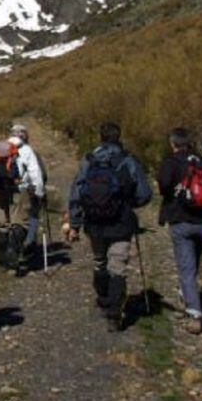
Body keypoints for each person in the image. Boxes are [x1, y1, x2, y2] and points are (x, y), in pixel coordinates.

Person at [64, 121, 152, 331]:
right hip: (121, 221)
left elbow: (76, 192)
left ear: (101, 137)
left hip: (94, 223)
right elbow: (144, 194)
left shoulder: (89, 160)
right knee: (118, 266)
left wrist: (75, 222)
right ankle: (114, 314)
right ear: (119, 136)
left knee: (99, 262)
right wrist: (129, 203)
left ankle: (103, 298)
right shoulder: (128, 161)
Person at [157, 127, 202, 335]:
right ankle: (187, 292)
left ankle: (194, 312)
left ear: (173, 143)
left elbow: (163, 187)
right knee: (193, 261)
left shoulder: (170, 163)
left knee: (186, 266)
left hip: (180, 219)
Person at [0, 124, 47, 266]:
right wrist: (39, 192)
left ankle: (2, 259)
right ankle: (14, 254)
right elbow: (35, 173)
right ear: (24, 135)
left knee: (3, 224)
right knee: (19, 223)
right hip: (18, 189)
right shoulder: (26, 150)